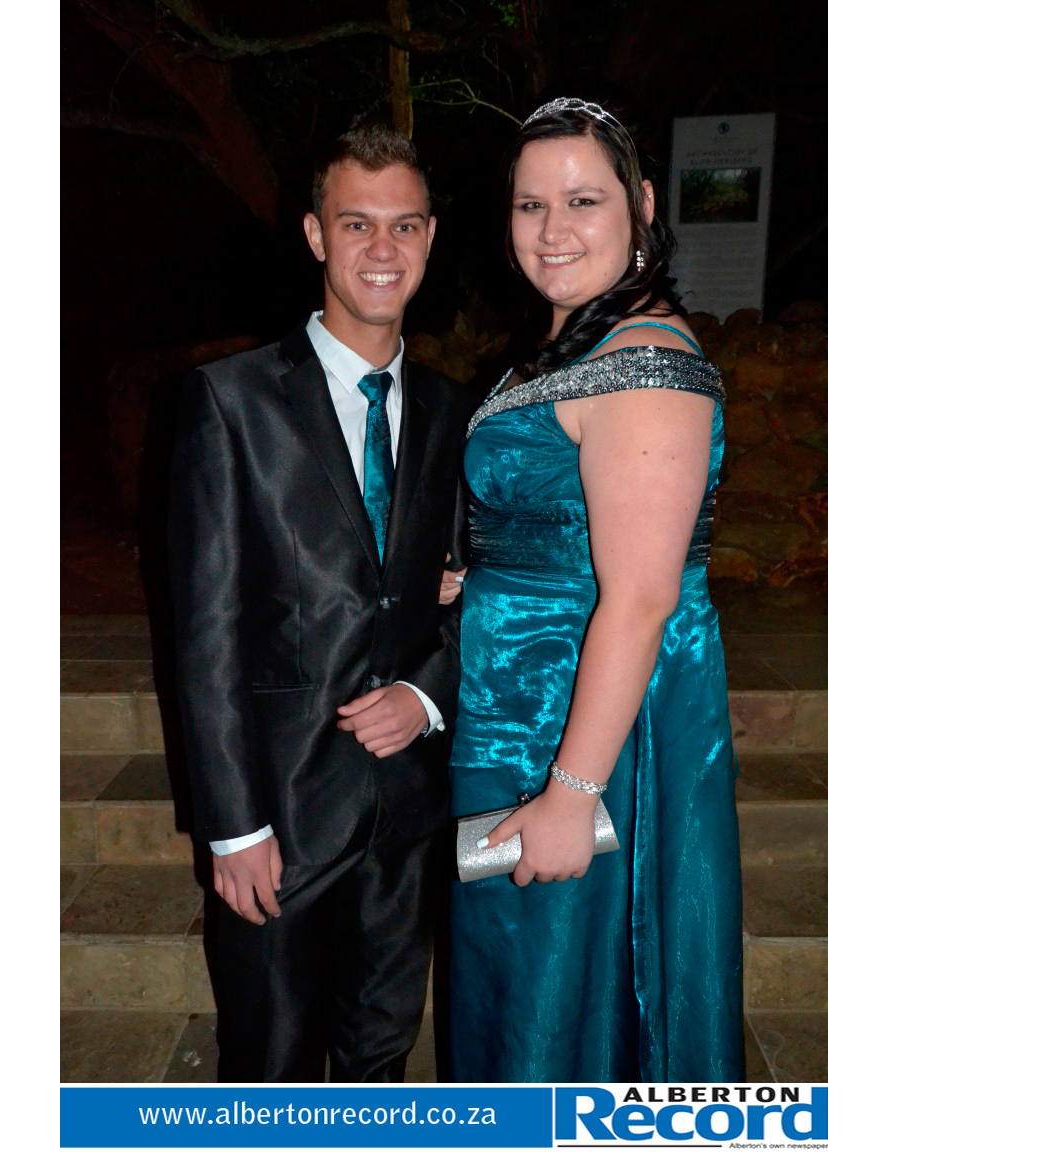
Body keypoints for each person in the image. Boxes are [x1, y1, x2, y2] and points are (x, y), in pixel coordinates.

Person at [142, 121, 472, 1082]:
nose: (382, 248)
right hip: (279, 817)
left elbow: (485, 585)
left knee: (380, 1062)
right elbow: (202, 633)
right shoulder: (229, 403)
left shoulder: (456, 412)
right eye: (357, 223)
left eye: (404, 225)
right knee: (269, 1069)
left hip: (407, 814)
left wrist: (428, 692)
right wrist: (233, 825)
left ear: (430, 238)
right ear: (317, 234)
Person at [447, 97, 745, 1083]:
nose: (552, 230)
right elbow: (569, 525)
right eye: (530, 205)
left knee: (559, 986)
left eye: (582, 201)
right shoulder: (579, 345)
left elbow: (644, 596)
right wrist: (483, 571)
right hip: (526, 704)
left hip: (586, 730)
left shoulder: (642, 362)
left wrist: (572, 795)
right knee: (517, 977)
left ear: (642, 206)